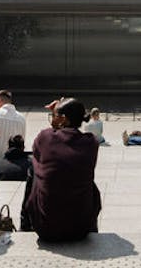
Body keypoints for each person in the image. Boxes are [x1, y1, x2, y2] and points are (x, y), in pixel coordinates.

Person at [21, 97, 102, 242]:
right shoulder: (91, 143)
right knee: (85, 182)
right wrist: (58, 116)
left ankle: (25, 224)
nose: (51, 119)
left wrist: (55, 123)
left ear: (63, 119)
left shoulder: (44, 137)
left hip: (46, 228)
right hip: (81, 228)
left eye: (53, 116)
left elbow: (40, 152)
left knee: (34, 170)